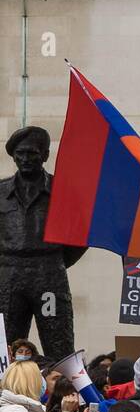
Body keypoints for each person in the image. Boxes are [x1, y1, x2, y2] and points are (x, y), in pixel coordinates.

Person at [0, 126, 85, 360]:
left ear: (45, 155)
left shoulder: (64, 192)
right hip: (9, 274)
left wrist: (53, 260)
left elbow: (80, 237)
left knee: (58, 340)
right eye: (20, 154)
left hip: (48, 273)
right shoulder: (0, 192)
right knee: (5, 344)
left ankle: (63, 391)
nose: (25, 159)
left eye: (32, 153)